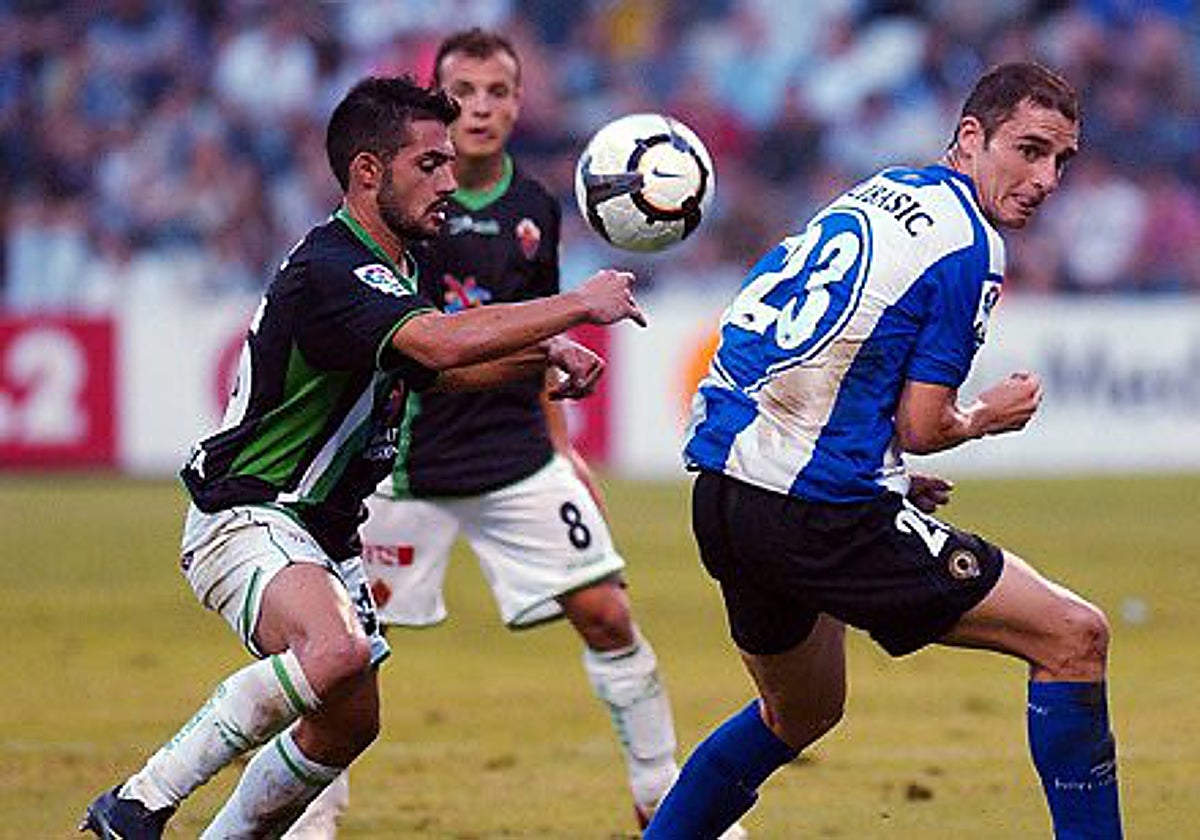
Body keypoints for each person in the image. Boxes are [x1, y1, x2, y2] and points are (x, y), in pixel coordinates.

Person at [80, 74, 646, 838]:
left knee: (348, 725)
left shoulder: (395, 269)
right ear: (369, 172)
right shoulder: (333, 266)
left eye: (448, 164)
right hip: (250, 511)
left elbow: (435, 370)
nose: (449, 182)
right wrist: (579, 304)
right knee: (336, 651)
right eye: (430, 166)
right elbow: (437, 342)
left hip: (325, 532)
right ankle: (138, 803)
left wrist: (543, 359)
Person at [285, 29, 747, 839]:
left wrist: (564, 447)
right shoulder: (398, 211)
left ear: (519, 104)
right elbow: (419, 349)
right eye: (463, 92)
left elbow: (535, 344)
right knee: (344, 649)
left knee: (607, 613)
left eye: (499, 93)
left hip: (513, 458)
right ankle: (312, 814)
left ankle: (659, 795)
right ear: (436, 101)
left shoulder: (534, 209)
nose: (481, 109)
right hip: (399, 467)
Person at [646, 62, 1124, 838]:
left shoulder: (881, 190)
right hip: (818, 514)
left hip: (727, 497)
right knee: (1075, 636)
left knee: (798, 712)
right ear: (972, 137)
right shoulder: (971, 245)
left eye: (1060, 161)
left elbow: (820, 361)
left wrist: (882, 472)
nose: (1046, 179)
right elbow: (925, 424)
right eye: (1030, 150)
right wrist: (984, 417)